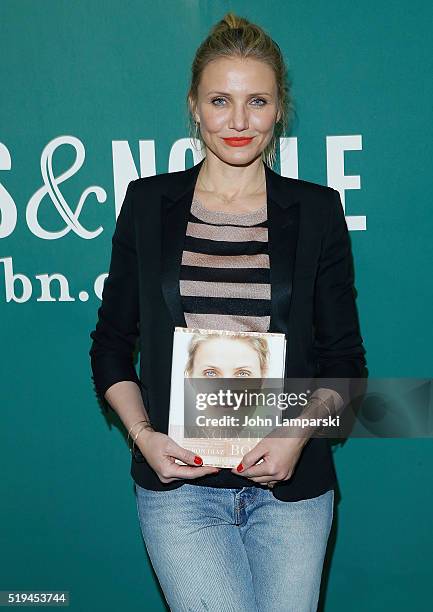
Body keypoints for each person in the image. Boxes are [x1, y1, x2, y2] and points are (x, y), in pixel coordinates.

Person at [89, 11, 366, 612]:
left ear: (278, 110)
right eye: (220, 100)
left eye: (257, 102)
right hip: (179, 490)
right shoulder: (147, 203)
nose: (238, 122)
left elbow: (347, 364)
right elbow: (111, 345)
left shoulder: (317, 211)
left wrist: (295, 435)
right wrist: (143, 437)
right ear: (194, 106)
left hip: (291, 490)